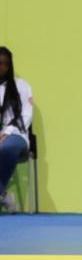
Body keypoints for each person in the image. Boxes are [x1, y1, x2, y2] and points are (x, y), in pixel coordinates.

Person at [0, 46, 33, 213]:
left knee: (6, 147)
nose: (2, 67)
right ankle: (3, 194)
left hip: (16, 136)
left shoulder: (21, 86)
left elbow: (26, 116)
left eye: (5, 64)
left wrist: (7, 132)